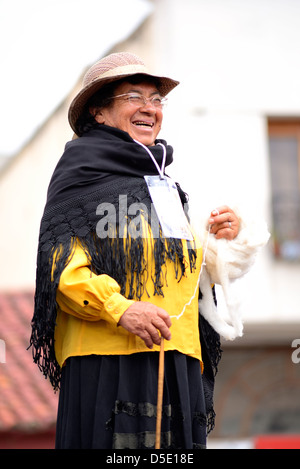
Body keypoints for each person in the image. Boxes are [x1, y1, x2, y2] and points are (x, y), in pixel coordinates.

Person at [29, 52, 268, 449]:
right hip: (109, 360)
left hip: (178, 358)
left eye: (157, 99)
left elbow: (188, 276)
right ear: (99, 112)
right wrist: (121, 308)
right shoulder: (79, 176)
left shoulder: (166, 187)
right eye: (134, 96)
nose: (149, 108)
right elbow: (60, 270)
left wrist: (224, 238)